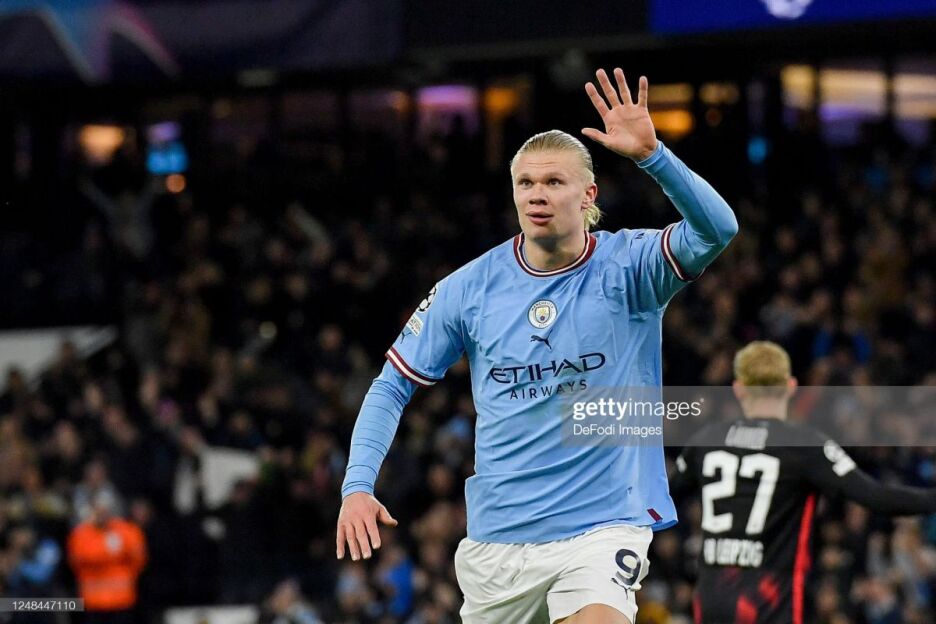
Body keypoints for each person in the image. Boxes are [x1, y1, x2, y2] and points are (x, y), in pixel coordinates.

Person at [338, 67, 739, 624]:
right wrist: (357, 485)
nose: (537, 195)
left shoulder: (630, 267)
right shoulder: (469, 288)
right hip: (499, 543)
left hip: (602, 527)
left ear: (588, 195)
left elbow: (718, 230)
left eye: (553, 182)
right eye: (525, 183)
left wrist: (654, 156)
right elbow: (391, 386)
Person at [671, 341, 936, 624]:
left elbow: (665, 493)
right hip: (768, 600)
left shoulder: (706, 439)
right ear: (791, 386)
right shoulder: (804, 444)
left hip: (712, 599)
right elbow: (875, 496)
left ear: (738, 388)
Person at [67, 490, 147, 624]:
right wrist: (112, 554)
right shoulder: (80, 534)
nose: (101, 512)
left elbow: (138, 560)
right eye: (97, 508)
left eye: (104, 507)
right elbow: (78, 561)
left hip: (122, 600)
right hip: (93, 601)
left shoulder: (128, 531)